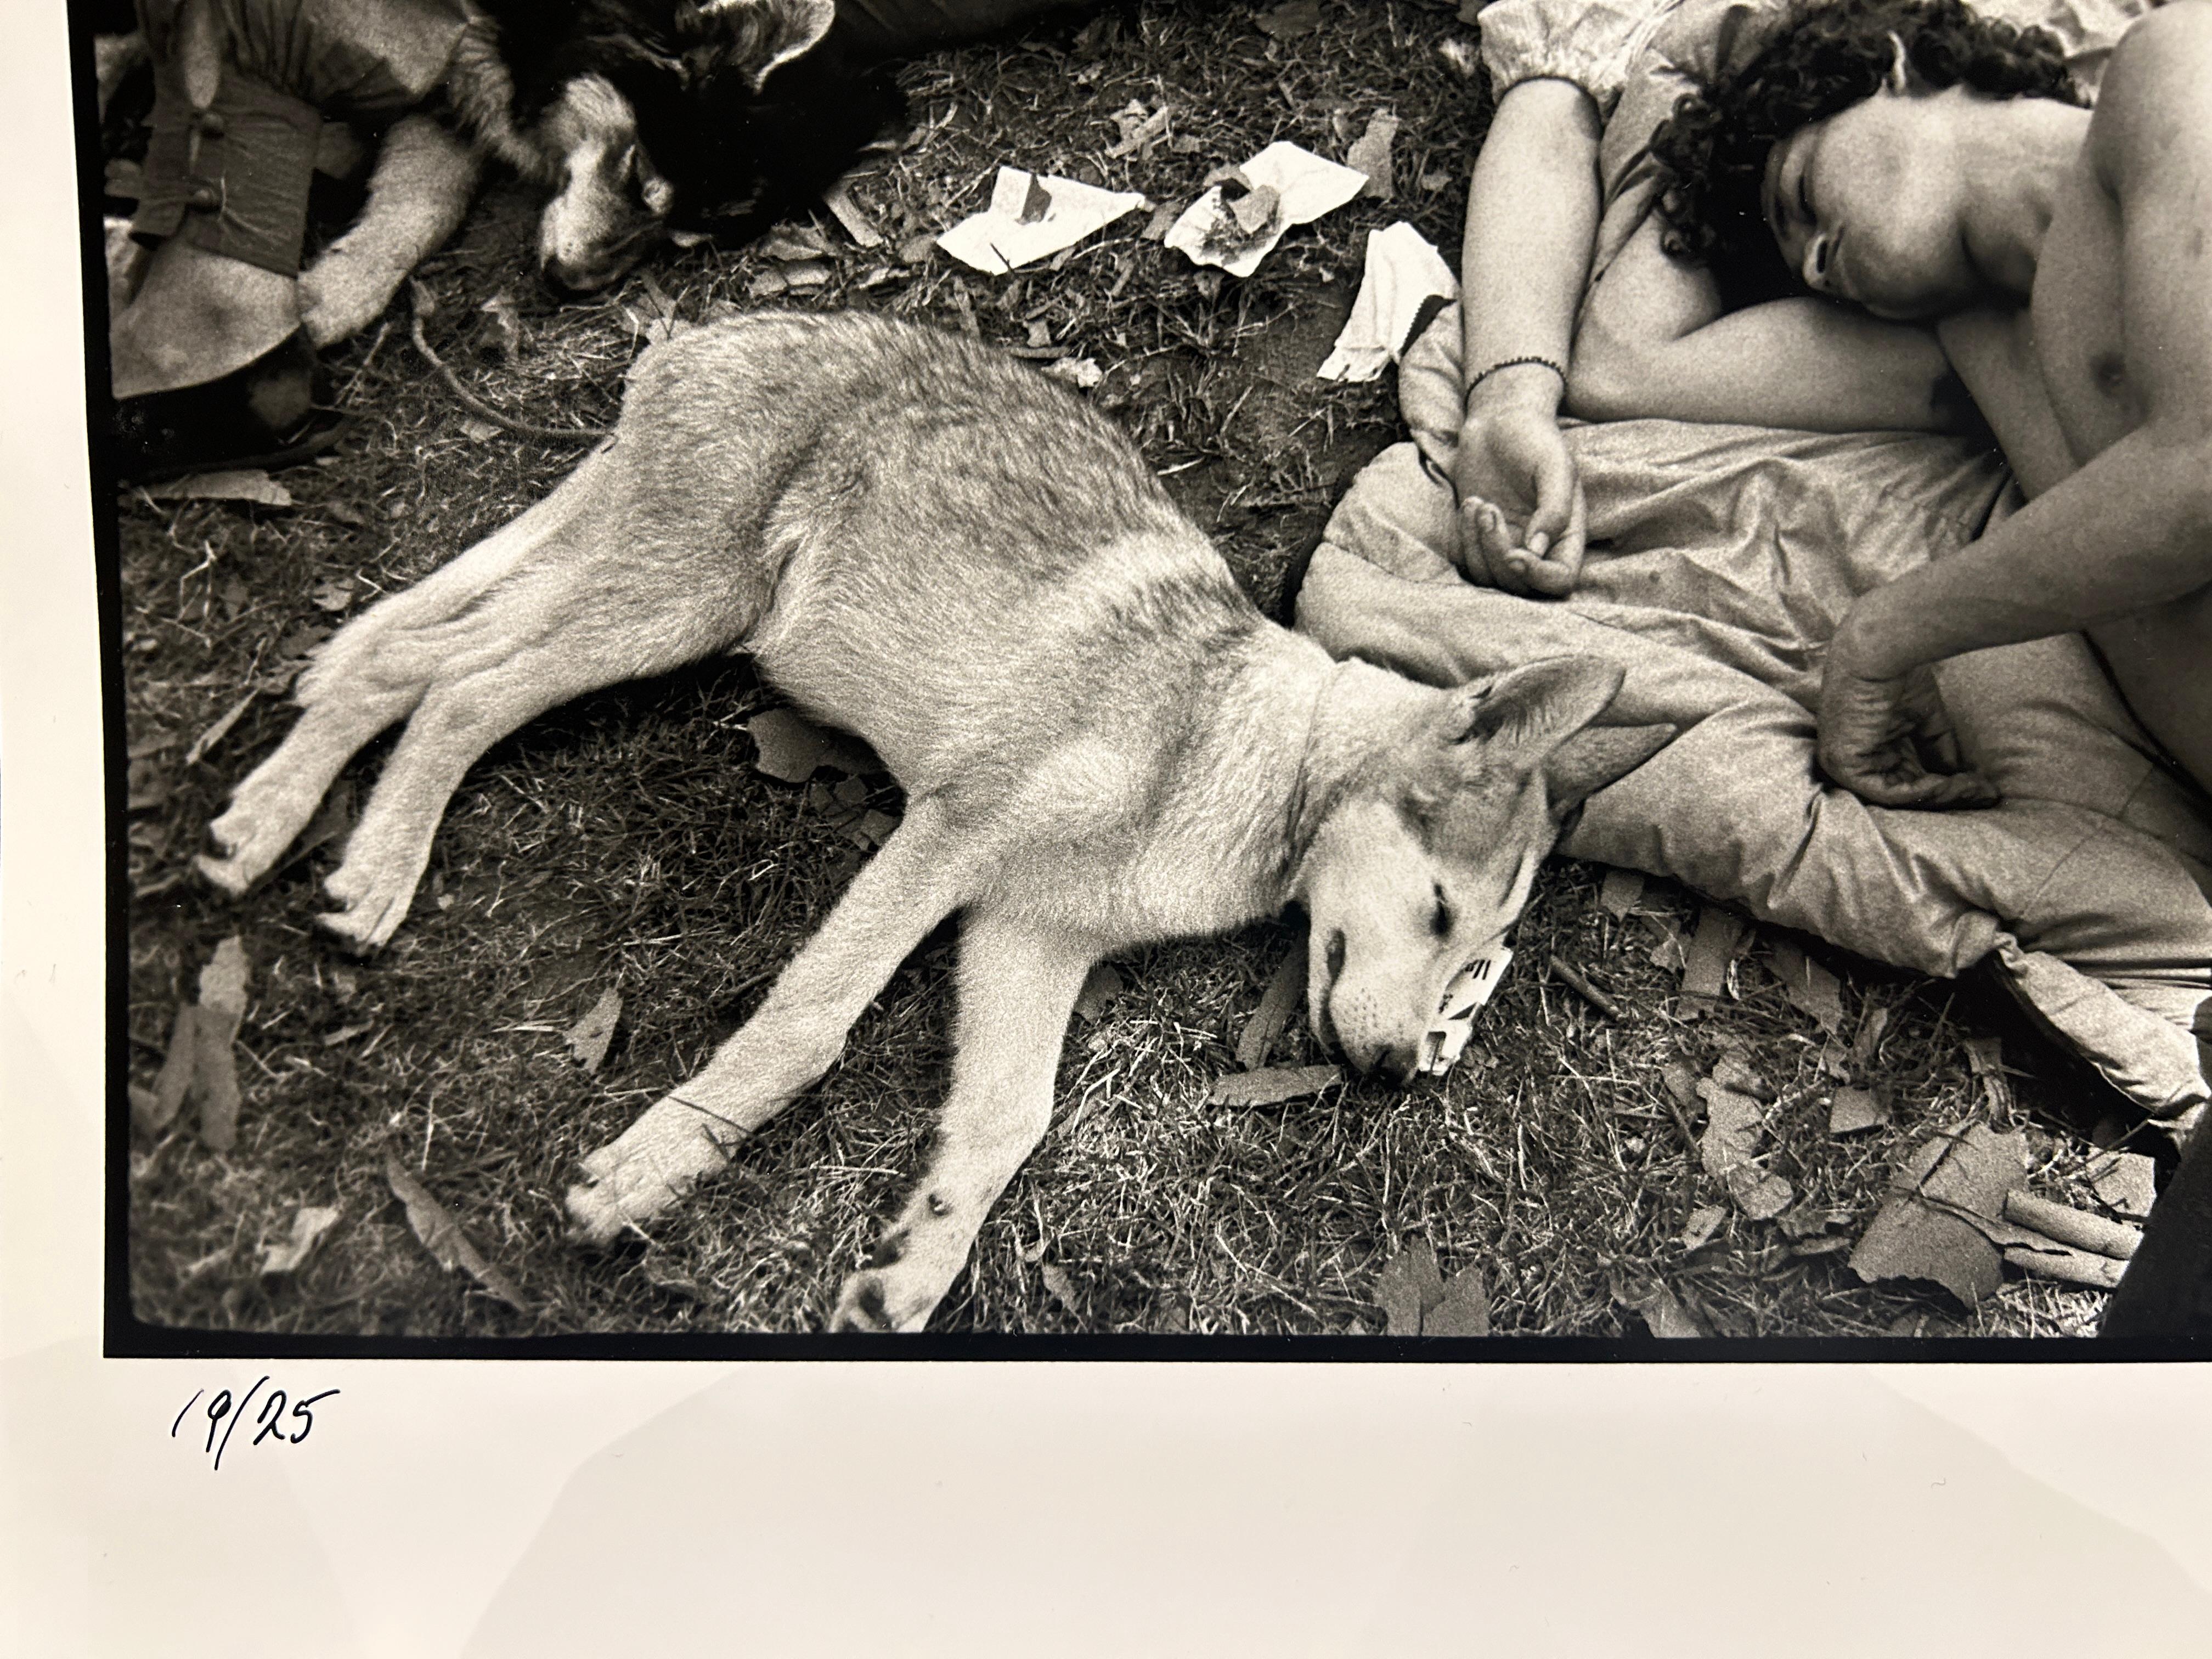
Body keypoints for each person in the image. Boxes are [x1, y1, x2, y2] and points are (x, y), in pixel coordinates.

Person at [1556, 0, 2212, 808]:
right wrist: (1686, 149)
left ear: (1895, 64)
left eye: (1802, 195)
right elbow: (1620, 364)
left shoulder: (2179, 68)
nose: (1818, 264)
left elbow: (2205, 468)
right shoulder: (1975, 344)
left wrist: (1887, 635)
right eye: (1801, 270)